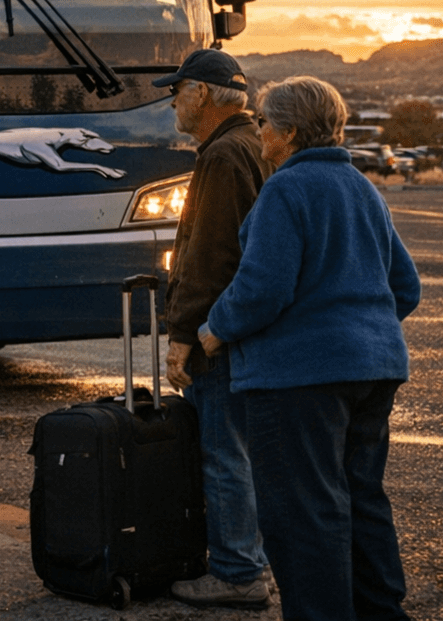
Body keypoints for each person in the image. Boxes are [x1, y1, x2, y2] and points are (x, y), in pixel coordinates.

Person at [200, 76, 420, 621]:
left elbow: (262, 289)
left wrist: (215, 328)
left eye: (264, 123)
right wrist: (359, 329)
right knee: (362, 499)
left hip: (297, 380)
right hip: (374, 369)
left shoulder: (286, 189)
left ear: (290, 133)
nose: (259, 132)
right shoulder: (363, 188)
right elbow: (405, 286)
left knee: (303, 513)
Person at [152, 49, 274, 610]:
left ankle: (237, 571)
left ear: (201, 94)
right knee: (243, 452)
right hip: (245, 330)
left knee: (223, 453)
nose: (172, 103)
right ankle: (251, 561)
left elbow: (211, 256)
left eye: (176, 92)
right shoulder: (252, 144)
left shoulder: (223, 155)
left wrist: (182, 335)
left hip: (217, 335)